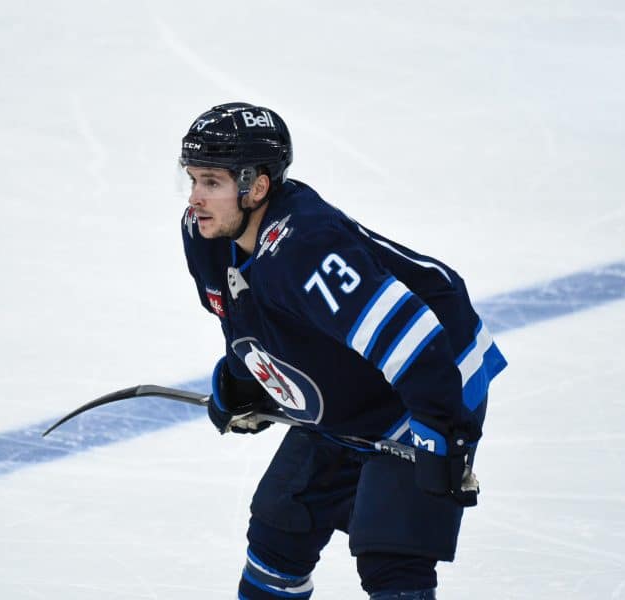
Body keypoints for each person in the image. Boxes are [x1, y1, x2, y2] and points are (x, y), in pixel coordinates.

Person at [179, 102, 506, 600]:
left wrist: (445, 441)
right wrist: (245, 380)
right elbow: (253, 320)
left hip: (430, 380)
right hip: (353, 389)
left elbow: (415, 345)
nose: (195, 198)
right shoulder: (203, 235)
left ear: (258, 186)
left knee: (392, 557)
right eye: (193, 179)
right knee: (278, 529)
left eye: (212, 183)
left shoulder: (305, 246)